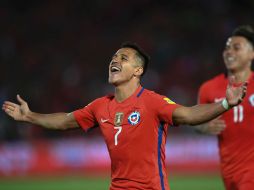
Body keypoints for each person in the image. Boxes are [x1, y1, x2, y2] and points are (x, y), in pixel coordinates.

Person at [2, 42, 247, 190]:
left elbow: (189, 114)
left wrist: (226, 103)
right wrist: (31, 116)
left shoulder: (152, 101)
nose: (114, 60)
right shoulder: (100, 106)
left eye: (123, 58)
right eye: (113, 57)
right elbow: (65, 120)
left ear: (138, 70)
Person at [195, 25, 254, 190]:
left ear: (252, 54)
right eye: (227, 48)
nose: (229, 52)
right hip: (228, 171)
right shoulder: (209, 88)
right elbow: (195, 121)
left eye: (237, 48)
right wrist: (204, 127)